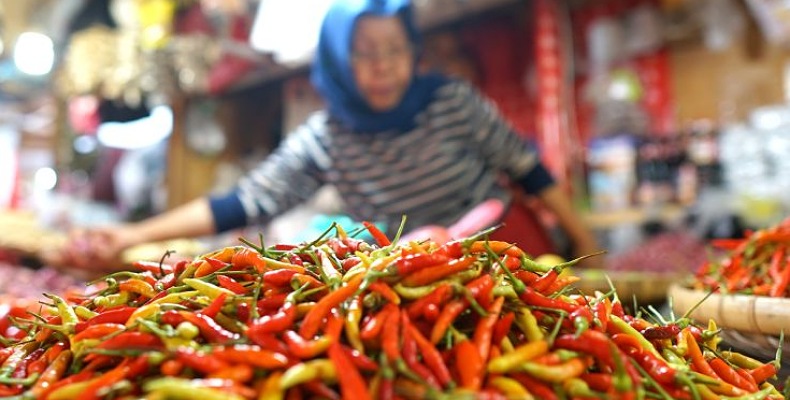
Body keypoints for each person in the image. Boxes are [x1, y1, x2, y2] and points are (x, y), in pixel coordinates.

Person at [55, 0, 602, 272]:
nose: (383, 67)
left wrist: (582, 240)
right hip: (419, 271)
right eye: (364, 54)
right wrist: (129, 237)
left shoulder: (450, 101)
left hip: (509, 253)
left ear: (413, 52)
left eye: (394, 51)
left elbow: (526, 167)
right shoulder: (326, 137)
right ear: (339, 63)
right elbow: (244, 201)